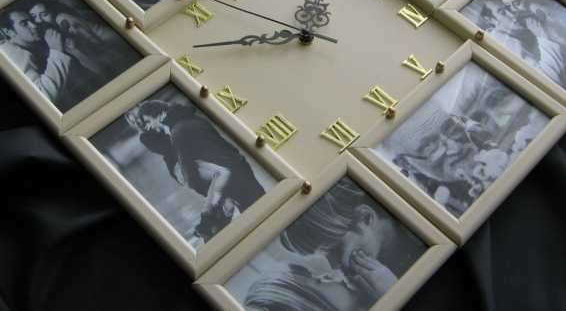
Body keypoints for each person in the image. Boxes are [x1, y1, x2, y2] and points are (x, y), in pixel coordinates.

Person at [126, 97, 267, 242]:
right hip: (201, 165)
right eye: (133, 118)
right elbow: (177, 156)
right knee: (231, 194)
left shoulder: (176, 127)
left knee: (231, 198)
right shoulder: (159, 131)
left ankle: (213, 223)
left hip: (211, 167)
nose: (143, 123)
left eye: (145, 119)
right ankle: (214, 222)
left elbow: (193, 168)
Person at [278, 177, 425, 309]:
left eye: (336, 249)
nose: (333, 266)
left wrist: (396, 294)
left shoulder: (421, 229)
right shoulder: (369, 285)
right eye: (326, 257)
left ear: (366, 218)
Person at [0, 6, 77, 111]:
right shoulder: (10, 53)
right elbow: (44, 96)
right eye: (24, 24)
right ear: (8, 32)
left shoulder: (33, 45)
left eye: (31, 20)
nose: (34, 25)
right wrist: (56, 50)